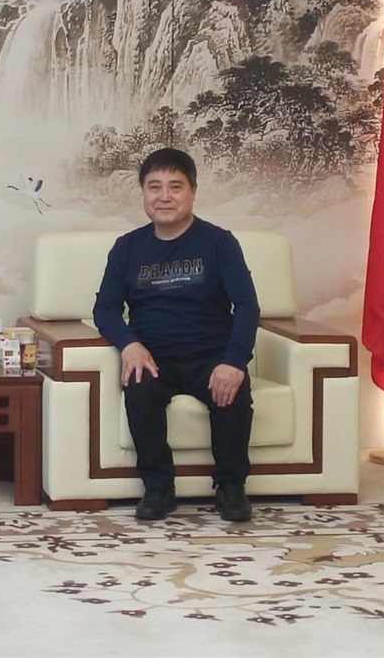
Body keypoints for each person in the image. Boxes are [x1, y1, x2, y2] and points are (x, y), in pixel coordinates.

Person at [93, 148, 259, 522]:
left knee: (234, 393)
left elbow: (248, 306)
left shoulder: (219, 243)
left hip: (210, 354)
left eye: (175, 186)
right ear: (143, 193)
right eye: (154, 187)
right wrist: (129, 345)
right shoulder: (127, 247)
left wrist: (234, 361)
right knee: (139, 387)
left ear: (193, 192)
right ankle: (158, 489)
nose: (164, 196)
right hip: (154, 355)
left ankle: (231, 487)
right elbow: (105, 309)